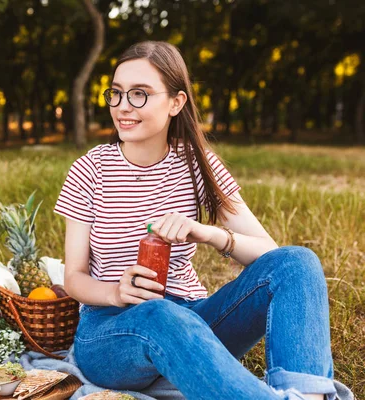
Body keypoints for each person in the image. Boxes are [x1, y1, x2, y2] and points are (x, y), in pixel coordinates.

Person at [54, 41, 350, 400]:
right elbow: (74, 278)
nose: (122, 107)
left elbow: (272, 257)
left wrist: (209, 234)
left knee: (297, 262)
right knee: (160, 314)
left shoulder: (197, 164)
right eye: (116, 94)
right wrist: (116, 292)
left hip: (196, 319)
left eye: (139, 95)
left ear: (176, 103)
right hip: (110, 333)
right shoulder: (90, 169)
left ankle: (308, 396)